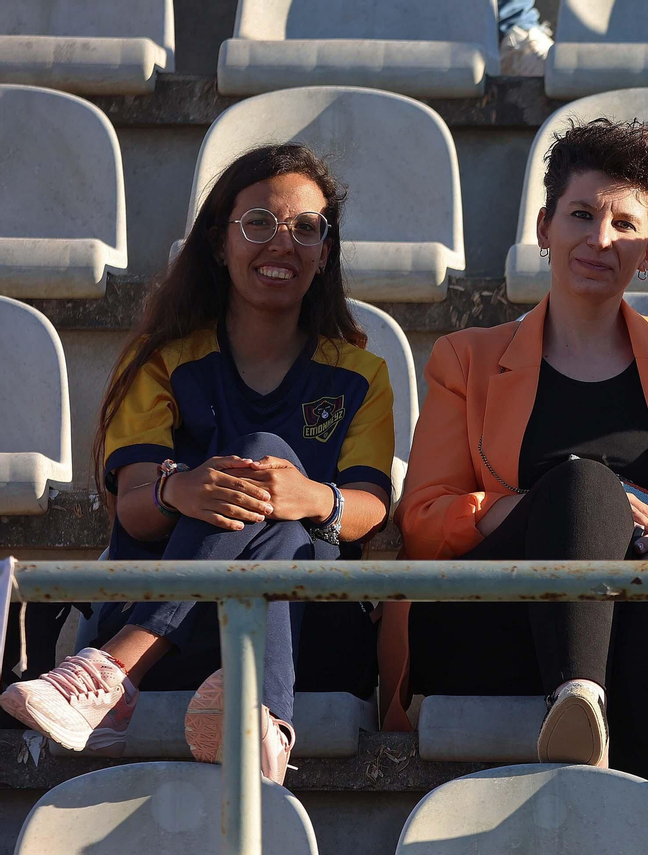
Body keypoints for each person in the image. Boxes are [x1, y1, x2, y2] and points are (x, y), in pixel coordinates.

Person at [0, 144, 396, 784]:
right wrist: (177, 491)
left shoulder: (360, 374)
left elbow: (370, 509)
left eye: (306, 229)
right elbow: (132, 505)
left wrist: (311, 498)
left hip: (311, 633)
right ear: (219, 242)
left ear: (326, 253)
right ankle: (263, 721)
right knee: (265, 480)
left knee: (276, 483)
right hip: (189, 639)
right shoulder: (162, 362)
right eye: (259, 223)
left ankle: (114, 673)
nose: (282, 243)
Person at [394, 118, 648, 802]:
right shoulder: (465, 359)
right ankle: (579, 695)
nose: (600, 238)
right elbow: (425, 519)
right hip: (501, 622)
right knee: (586, 485)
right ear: (544, 226)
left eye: (625, 225)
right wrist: (543, 507)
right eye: (582, 215)